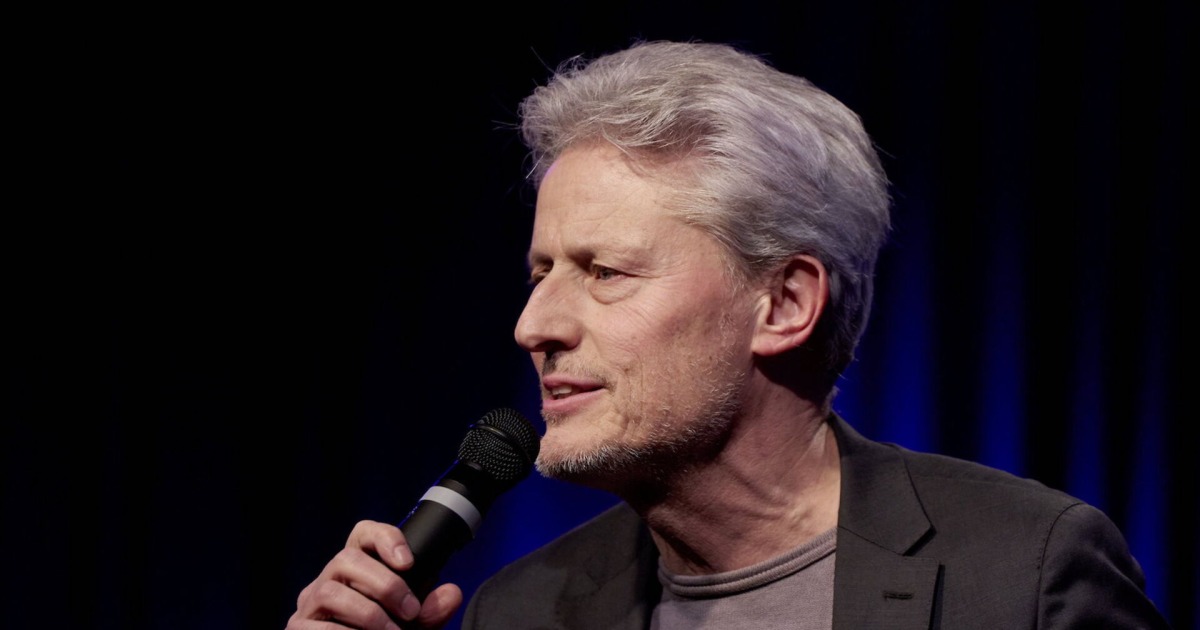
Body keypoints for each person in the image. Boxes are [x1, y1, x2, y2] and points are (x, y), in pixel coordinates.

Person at [286, 40, 1169, 629]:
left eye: (605, 272)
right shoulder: (521, 611)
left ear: (783, 304)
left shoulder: (1024, 574)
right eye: (540, 272)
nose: (534, 326)